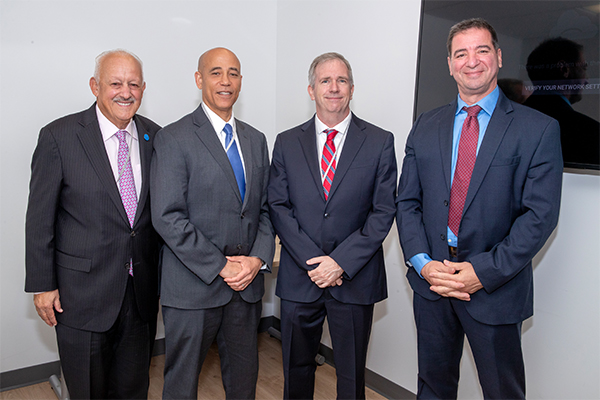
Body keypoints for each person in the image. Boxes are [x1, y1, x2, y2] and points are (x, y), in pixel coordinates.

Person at [396, 18, 563, 399]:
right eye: (461, 53)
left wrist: (481, 272)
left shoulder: (537, 129)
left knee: (502, 392)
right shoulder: (425, 125)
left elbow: (540, 217)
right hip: (433, 283)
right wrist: (422, 262)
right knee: (433, 388)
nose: (472, 61)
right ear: (450, 64)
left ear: (499, 57)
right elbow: (407, 202)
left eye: (482, 50)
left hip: (494, 289)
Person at [25, 49, 161, 399]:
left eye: (133, 84)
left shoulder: (156, 137)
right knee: (87, 391)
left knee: (133, 389)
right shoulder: (60, 136)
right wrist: (42, 285)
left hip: (139, 294)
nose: (125, 92)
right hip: (79, 295)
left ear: (144, 88)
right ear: (95, 86)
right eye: (115, 83)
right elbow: (40, 219)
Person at [268, 52, 397, 399]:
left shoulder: (379, 141)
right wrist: (316, 263)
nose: (334, 87)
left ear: (352, 89)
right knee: (296, 371)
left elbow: (383, 212)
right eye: (325, 80)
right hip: (300, 277)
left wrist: (339, 263)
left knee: (352, 377)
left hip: (354, 279)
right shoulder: (286, 142)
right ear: (311, 90)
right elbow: (278, 206)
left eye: (341, 80)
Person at [150, 47, 275, 400]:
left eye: (233, 73)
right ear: (199, 79)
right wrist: (220, 266)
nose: (225, 81)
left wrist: (257, 260)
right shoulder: (174, 138)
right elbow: (167, 216)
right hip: (192, 287)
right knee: (182, 384)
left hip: (245, 287)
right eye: (216, 72)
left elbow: (264, 209)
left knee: (244, 380)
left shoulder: (255, 139)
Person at [524, 37, 599, 166]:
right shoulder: (589, 132)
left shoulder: (507, 122)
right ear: (564, 70)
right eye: (584, 69)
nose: (586, 80)